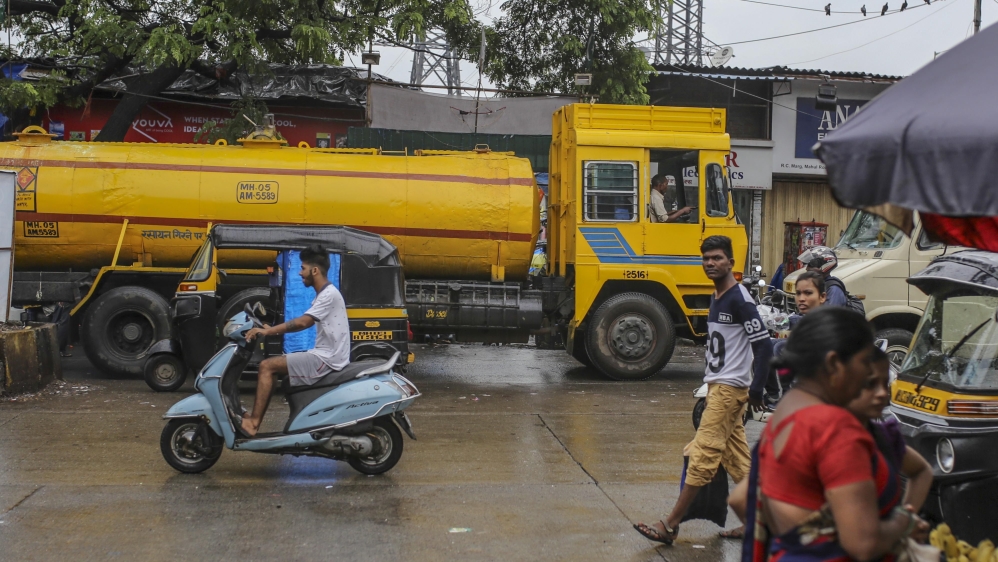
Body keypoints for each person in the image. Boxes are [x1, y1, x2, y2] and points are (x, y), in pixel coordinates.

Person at [734, 307, 928, 561]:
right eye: (864, 363)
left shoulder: (786, 415)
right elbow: (862, 544)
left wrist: (803, 537)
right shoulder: (836, 432)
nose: (867, 374)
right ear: (834, 364)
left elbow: (741, 499)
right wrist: (904, 523)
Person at [633, 235, 774, 545]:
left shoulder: (739, 299)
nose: (710, 263)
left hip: (730, 390)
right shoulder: (717, 295)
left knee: (702, 455)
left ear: (731, 263)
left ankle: (670, 525)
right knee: (737, 460)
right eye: (706, 258)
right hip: (718, 386)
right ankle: (759, 524)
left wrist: (757, 390)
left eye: (717, 258)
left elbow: (764, 346)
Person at [239, 245, 351, 437]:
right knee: (279, 368)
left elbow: (302, 323)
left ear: (314, 271)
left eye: (303, 268)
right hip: (325, 356)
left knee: (266, 366)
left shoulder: (328, 295)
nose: (300, 273)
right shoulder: (326, 293)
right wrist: (269, 328)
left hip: (326, 359)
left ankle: (253, 423)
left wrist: (268, 332)